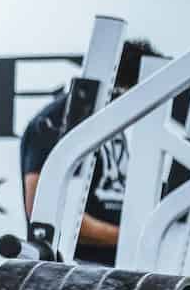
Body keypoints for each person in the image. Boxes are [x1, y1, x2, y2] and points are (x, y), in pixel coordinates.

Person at [20, 38, 156, 265]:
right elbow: (45, 215)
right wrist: (131, 238)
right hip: (75, 269)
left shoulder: (115, 125)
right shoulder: (55, 123)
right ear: (126, 87)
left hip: (120, 266)